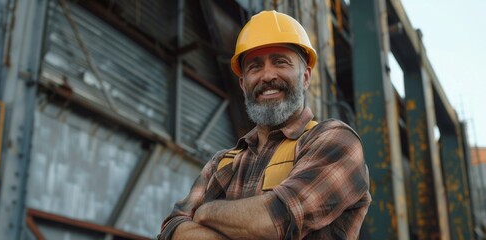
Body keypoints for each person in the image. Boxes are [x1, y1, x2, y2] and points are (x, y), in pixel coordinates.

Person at [158, 10, 371, 240]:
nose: (267, 75)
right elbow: (172, 230)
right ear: (242, 83)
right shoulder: (220, 163)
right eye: (255, 67)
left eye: (280, 62)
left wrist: (205, 212)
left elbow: (276, 221)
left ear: (306, 77)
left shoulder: (335, 141)